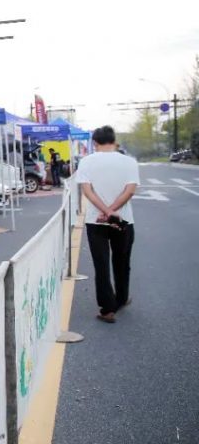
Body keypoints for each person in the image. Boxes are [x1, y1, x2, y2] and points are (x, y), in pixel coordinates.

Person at [75, 125, 139, 323]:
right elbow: (130, 191)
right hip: (123, 220)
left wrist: (105, 211)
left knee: (101, 265)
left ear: (95, 142)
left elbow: (87, 191)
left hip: (96, 221)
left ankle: (107, 309)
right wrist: (112, 211)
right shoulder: (129, 162)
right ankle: (122, 298)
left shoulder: (86, 162)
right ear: (114, 140)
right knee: (122, 262)